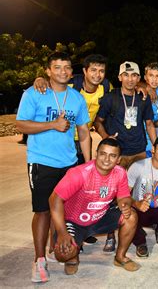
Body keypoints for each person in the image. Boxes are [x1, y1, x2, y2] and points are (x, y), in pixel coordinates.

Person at [16, 52, 91, 283]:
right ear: (48, 71)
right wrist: (52, 124)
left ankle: (63, 248)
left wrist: (87, 165)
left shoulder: (76, 98)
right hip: (41, 162)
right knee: (43, 211)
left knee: (67, 211)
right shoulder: (34, 93)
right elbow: (21, 124)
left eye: (67, 67)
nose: (63, 72)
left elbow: (84, 132)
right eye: (57, 67)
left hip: (69, 163)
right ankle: (39, 261)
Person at [49, 138, 140, 275]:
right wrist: (62, 233)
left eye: (112, 155)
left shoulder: (120, 172)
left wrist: (125, 205)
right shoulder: (79, 173)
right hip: (74, 221)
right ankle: (72, 258)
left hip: (99, 217)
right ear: (96, 154)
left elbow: (123, 197)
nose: (107, 159)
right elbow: (54, 200)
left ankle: (120, 257)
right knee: (63, 254)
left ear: (118, 159)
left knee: (131, 216)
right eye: (103, 154)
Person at [94, 61, 156, 169]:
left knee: (138, 185)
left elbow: (149, 124)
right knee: (115, 184)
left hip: (139, 151)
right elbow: (98, 121)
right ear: (120, 77)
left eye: (134, 75)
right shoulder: (110, 97)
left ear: (138, 78)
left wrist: (155, 144)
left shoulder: (143, 98)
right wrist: (106, 137)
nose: (130, 79)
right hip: (117, 152)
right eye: (126, 75)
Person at [143, 62, 158, 157]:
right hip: (135, 142)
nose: (154, 79)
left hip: (150, 144)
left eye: (157, 76)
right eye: (151, 75)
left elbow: (155, 123)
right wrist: (146, 87)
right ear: (145, 77)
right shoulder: (139, 91)